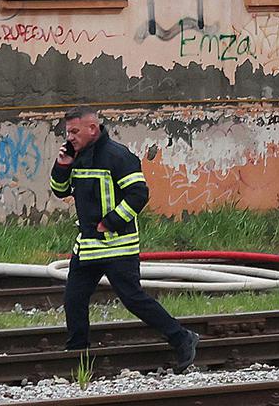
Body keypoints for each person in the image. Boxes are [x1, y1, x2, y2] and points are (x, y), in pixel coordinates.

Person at [50, 106, 199, 371]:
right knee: (74, 299)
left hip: (118, 246)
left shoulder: (118, 156)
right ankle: (77, 356)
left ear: (92, 129)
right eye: (68, 132)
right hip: (88, 247)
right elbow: (60, 191)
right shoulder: (77, 156)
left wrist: (109, 223)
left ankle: (182, 338)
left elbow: (138, 195)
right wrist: (62, 166)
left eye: (74, 131)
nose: (69, 137)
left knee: (133, 299)